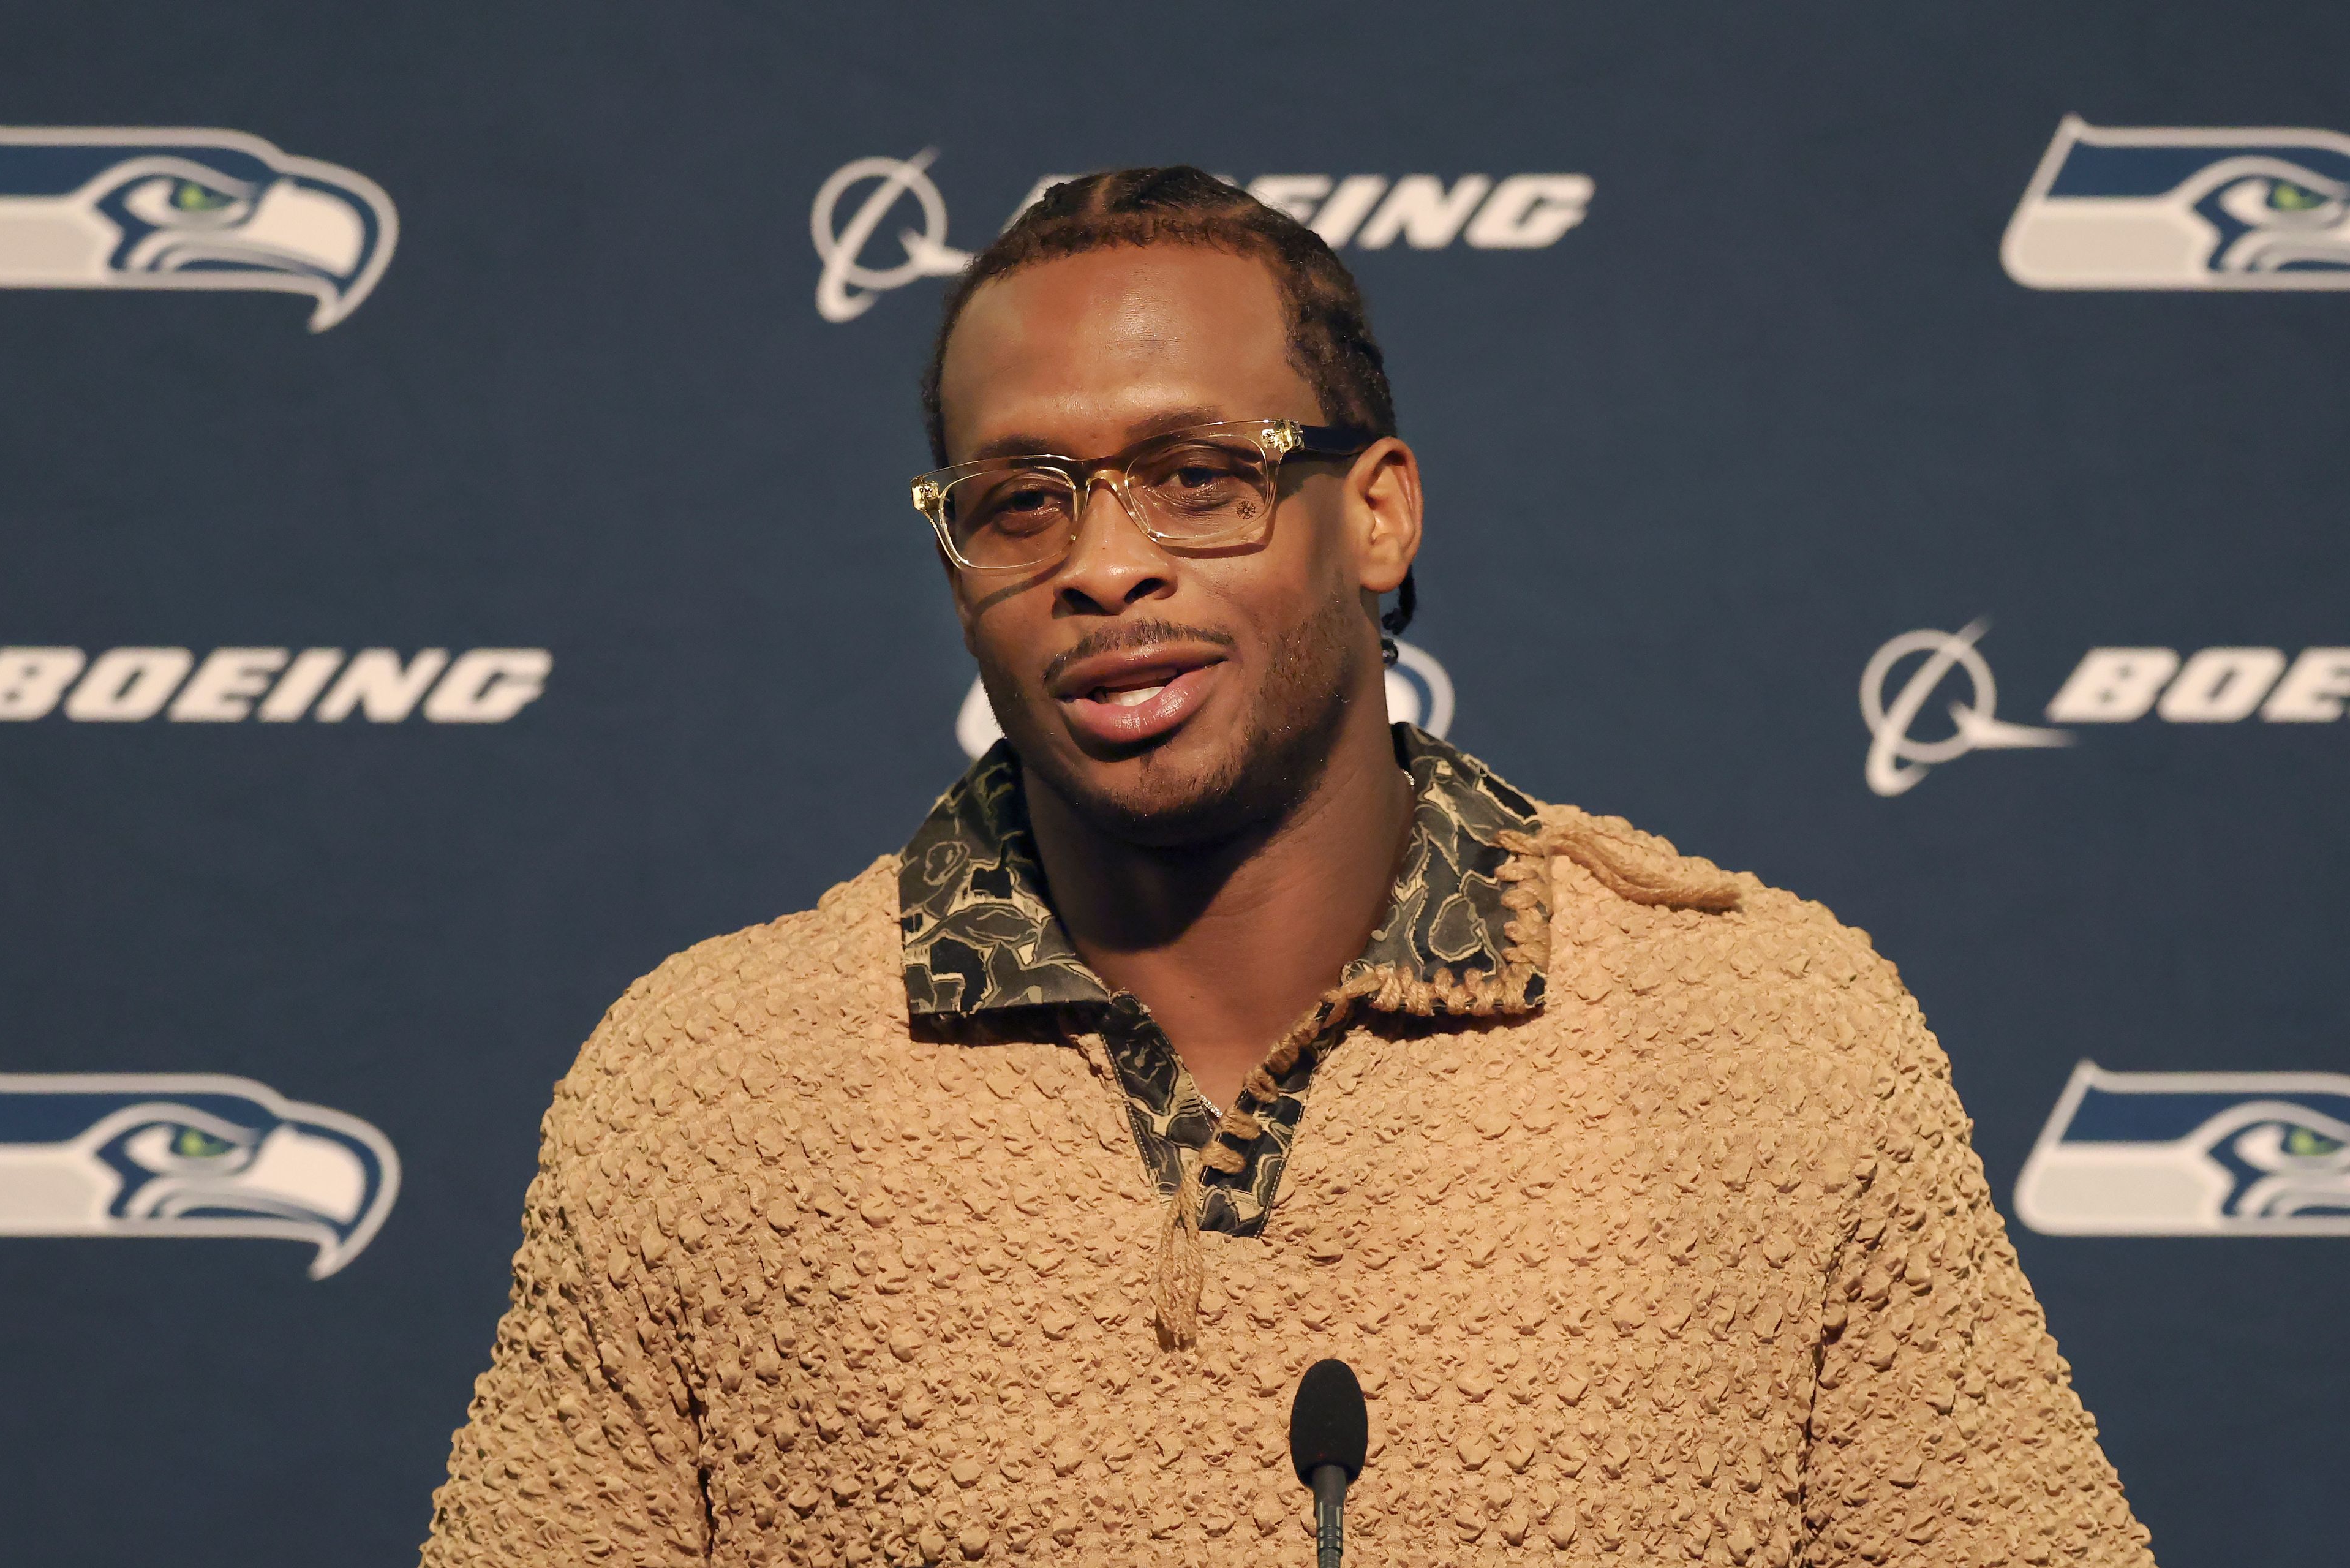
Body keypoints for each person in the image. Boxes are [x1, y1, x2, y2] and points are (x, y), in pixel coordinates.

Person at [421, 167, 2155, 1567]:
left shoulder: (1774, 1045)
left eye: (1195, 478)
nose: (1101, 566)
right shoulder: (707, 1090)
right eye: (1020, 501)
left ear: (1377, 513)